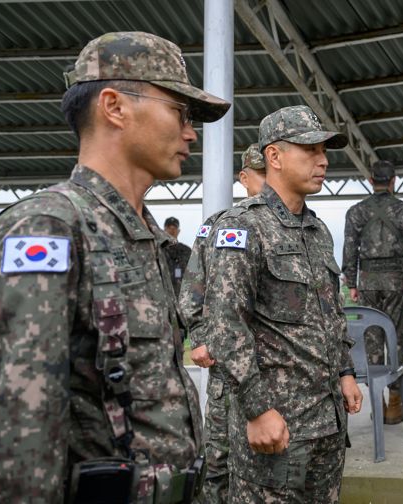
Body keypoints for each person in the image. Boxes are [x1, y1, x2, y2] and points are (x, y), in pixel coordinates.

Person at [0, 31, 230, 502]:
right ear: (115, 107)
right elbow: (19, 434)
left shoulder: (142, 236)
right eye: (179, 112)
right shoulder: (49, 228)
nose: (191, 132)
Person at [202, 105, 363, 503]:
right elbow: (225, 324)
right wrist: (257, 410)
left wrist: (345, 371)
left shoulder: (317, 229)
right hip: (277, 425)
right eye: (310, 150)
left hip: (326, 422)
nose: (323, 160)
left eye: (324, 151)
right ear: (274, 156)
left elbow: (331, 312)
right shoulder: (241, 226)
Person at [179, 143, 266, 503]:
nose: (267, 182)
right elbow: (191, 291)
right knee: (218, 457)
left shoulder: (297, 230)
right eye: (260, 175)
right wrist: (198, 337)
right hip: (226, 366)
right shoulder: (219, 226)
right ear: (244, 178)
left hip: (270, 369)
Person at [342, 159, 403, 424]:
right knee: (397, 341)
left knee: (371, 341)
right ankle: (395, 405)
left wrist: (352, 284)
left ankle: (377, 405)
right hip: (397, 281)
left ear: (370, 181)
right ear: (393, 181)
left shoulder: (355, 212)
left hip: (367, 281)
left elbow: (349, 250)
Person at [164, 216, 193, 297]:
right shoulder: (158, 250)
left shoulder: (186, 250)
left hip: (183, 296)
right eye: (169, 228)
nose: (172, 231)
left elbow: (193, 273)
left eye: (174, 228)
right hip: (165, 296)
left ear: (178, 231)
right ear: (164, 230)